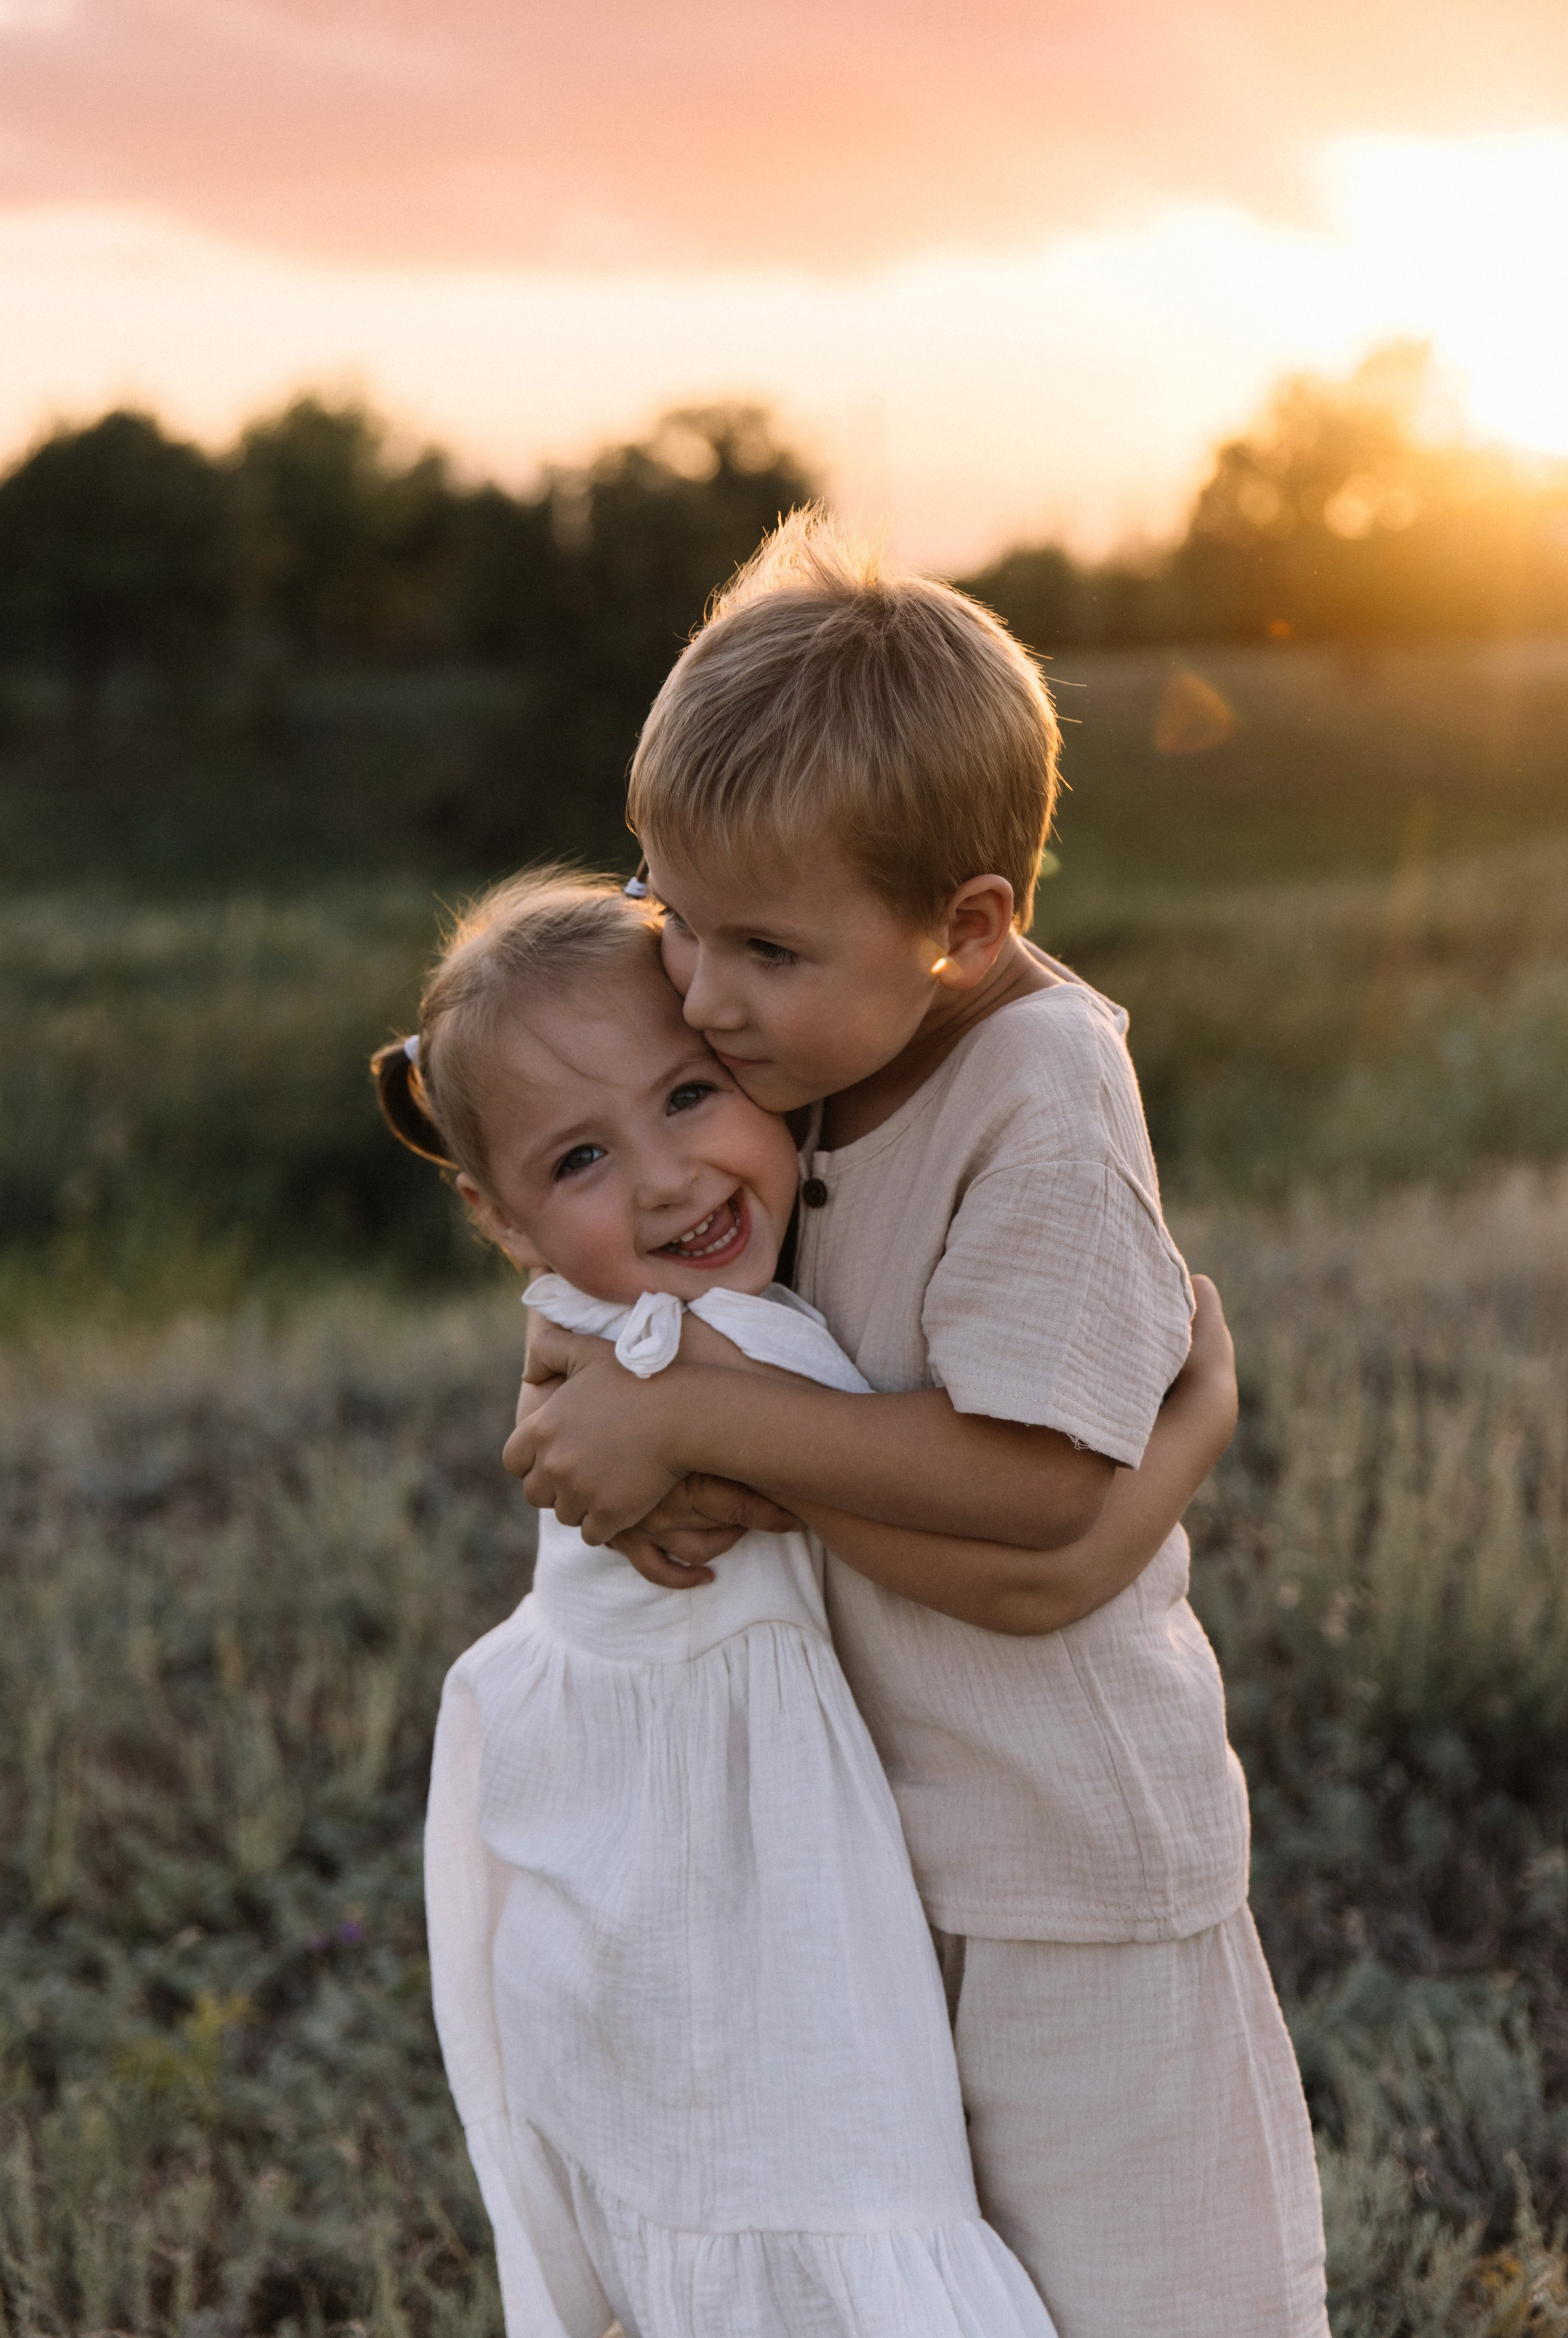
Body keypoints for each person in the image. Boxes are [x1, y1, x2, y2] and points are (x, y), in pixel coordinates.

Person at [508, 514, 1331, 2338]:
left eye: (761, 948)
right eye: (671, 914)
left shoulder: (1041, 1099)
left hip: (1070, 1868)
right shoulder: (813, 1034)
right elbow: (602, 1299)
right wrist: (616, 1392)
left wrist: (700, 1421)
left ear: (964, 929)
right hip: (864, 1858)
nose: (699, 994)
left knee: (1155, 2306)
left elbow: (1035, 1498)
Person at [373, 871, 1237, 2338]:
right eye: (581, 1158)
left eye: (690, 1094)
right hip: (745, 1961)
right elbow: (1031, 1559)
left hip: (636, 1934)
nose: (666, 1178)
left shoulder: (606, 1341)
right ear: (498, 1216)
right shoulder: (724, 1366)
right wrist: (1199, 1421)